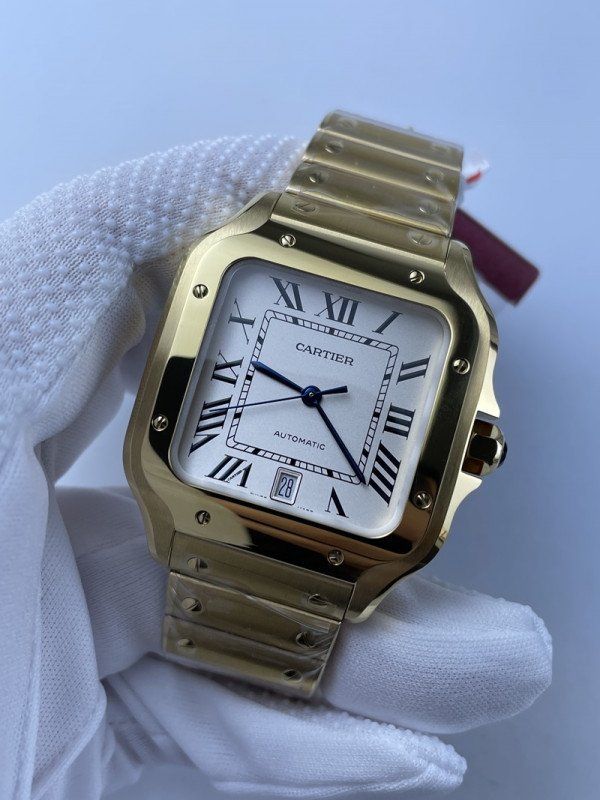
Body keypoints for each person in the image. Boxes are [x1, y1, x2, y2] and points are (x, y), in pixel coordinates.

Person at [0, 132, 552, 799]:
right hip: (200, 524)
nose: (312, 396)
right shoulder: (235, 260)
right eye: (308, 393)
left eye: (315, 395)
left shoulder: (450, 320)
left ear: (475, 448)